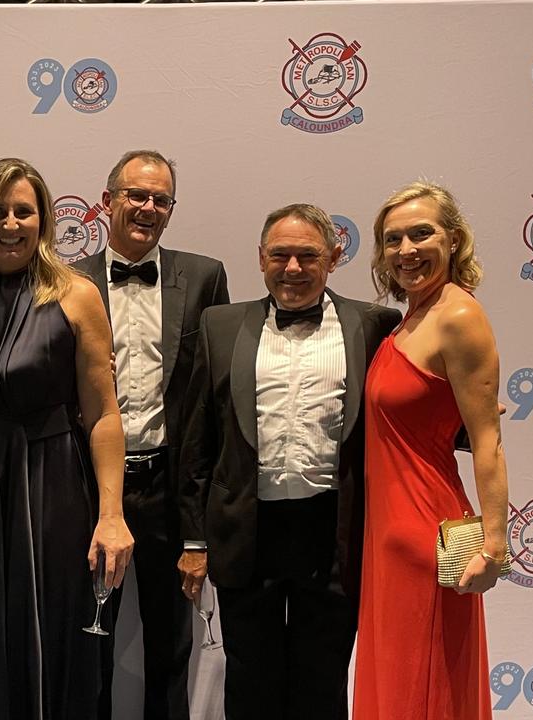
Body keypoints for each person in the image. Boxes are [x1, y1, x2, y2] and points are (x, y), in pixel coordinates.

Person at [177, 204, 400, 719]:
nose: (293, 268)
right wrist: (193, 540)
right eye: (280, 255)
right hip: (245, 531)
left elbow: (404, 404)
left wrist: (466, 418)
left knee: (322, 683)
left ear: (334, 258)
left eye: (308, 255)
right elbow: (197, 445)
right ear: (260, 258)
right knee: (250, 681)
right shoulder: (221, 325)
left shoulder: (374, 324)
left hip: (332, 533)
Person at [0, 158, 134, 719]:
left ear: (44, 220)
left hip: (52, 488)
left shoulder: (76, 295)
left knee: (51, 631)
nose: (11, 223)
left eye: (24, 211)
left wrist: (112, 515)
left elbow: (101, 412)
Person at [73, 150, 229, 720]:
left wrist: (199, 524)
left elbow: (214, 396)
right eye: (136, 195)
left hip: (170, 485)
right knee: (88, 641)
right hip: (88, 485)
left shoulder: (206, 276)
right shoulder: (68, 282)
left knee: (171, 645)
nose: (147, 207)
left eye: (160, 199)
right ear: (106, 202)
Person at [353, 182, 508, 720]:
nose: (406, 250)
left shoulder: (457, 316)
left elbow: (487, 440)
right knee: (397, 683)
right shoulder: (410, 319)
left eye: (422, 233)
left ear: (454, 239)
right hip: (387, 534)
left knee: (428, 685)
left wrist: (495, 545)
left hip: (427, 534)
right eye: (392, 239)